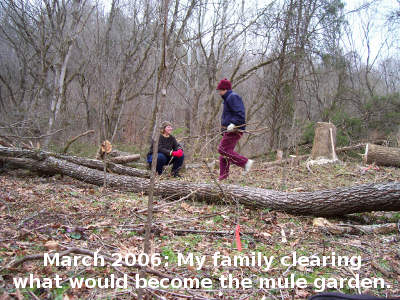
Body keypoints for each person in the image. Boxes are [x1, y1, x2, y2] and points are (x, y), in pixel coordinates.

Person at [216, 78, 253, 181]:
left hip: (235, 129)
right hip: (229, 130)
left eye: (220, 90)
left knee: (222, 150)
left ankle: (245, 163)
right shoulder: (228, 99)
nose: (219, 93)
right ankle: (223, 178)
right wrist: (223, 129)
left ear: (225, 89)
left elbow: (240, 114)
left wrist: (233, 124)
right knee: (224, 154)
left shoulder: (233, 97)